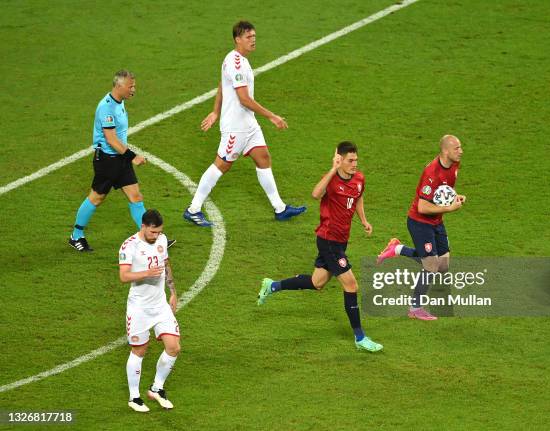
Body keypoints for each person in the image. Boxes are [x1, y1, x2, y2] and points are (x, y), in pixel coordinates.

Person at [258, 141, 383, 352]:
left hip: (341, 240)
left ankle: (272, 285)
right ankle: (360, 337)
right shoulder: (332, 180)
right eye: (350, 160)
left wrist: (363, 220)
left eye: (356, 160)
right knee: (351, 285)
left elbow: (358, 198)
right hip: (329, 240)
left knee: (317, 282)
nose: (354, 164)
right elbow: (316, 194)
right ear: (340, 160)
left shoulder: (359, 179)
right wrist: (332, 169)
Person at [183, 21, 305, 226]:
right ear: (237, 39)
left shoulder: (240, 60)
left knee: (263, 157)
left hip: (248, 123)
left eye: (254, 36)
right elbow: (244, 99)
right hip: (235, 127)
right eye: (249, 37)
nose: (253, 40)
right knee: (221, 165)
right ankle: (193, 209)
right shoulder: (236, 62)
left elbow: (222, 84)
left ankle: (280, 208)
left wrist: (215, 111)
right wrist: (272, 116)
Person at [68, 70, 174, 251]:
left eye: (134, 85)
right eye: (130, 86)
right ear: (118, 86)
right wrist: (133, 156)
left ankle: (150, 237)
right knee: (96, 198)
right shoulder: (106, 107)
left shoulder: (120, 102)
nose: (134, 89)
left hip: (120, 159)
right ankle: (76, 236)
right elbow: (111, 139)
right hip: (107, 161)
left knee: (136, 196)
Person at [377, 135, 466, 320]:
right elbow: (422, 207)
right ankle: (415, 308)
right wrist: (449, 208)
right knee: (431, 265)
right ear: (445, 151)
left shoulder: (454, 165)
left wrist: (455, 198)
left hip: (436, 221)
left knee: (443, 266)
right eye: (457, 148)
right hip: (420, 222)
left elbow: (445, 190)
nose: (461, 151)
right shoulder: (432, 173)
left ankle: (397, 249)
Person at [119, 209, 180, 412]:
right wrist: (147, 273)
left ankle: (156, 388)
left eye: (159, 232)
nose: (156, 236)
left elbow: (166, 264)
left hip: (160, 305)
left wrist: (172, 291)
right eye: (153, 232)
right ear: (143, 226)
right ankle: (134, 398)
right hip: (139, 308)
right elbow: (124, 276)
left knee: (174, 347)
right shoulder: (130, 246)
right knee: (139, 350)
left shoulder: (161, 240)